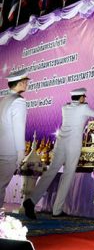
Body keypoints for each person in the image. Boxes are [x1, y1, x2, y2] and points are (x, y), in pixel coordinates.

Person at [23, 88, 94, 219]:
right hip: (73, 145)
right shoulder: (83, 108)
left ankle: (31, 201)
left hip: (60, 143)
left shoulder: (65, 107)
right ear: (81, 98)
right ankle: (57, 210)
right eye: (84, 97)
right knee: (68, 175)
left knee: (50, 172)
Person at [0, 69, 29, 209]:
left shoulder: (4, 100)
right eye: (25, 82)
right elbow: (18, 128)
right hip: (8, 151)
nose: (27, 84)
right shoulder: (18, 101)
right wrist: (20, 153)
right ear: (21, 83)